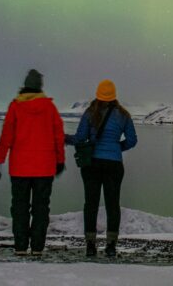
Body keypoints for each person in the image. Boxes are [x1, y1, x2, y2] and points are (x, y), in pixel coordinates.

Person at [0, 69, 65, 256]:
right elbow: (58, 136)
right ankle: (38, 247)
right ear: (40, 86)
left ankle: (21, 246)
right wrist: (60, 160)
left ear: (25, 85)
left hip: (20, 168)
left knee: (20, 207)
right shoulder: (49, 108)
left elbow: (6, 136)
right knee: (41, 208)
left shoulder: (15, 106)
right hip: (44, 167)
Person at [65, 79, 137, 257]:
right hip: (114, 165)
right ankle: (111, 245)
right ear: (114, 96)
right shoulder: (123, 115)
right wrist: (116, 147)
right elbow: (132, 140)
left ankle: (90, 245)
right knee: (113, 205)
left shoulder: (90, 113)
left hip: (92, 164)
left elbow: (80, 138)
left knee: (91, 204)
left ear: (98, 94)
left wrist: (65, 138)